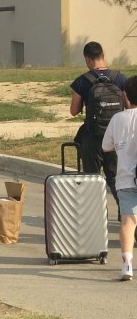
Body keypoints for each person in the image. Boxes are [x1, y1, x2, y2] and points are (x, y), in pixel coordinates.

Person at [70, 41, 128, 209]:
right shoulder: (120, 78)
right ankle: (126, 215)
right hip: (117, 136)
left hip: (93, 137)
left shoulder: (81, 81)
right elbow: (129, 105)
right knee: (115, 177)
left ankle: (94, 215)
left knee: (92, 178)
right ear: (103, 56)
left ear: (87, 59)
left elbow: (74, 110)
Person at [100, 75, 137, 281]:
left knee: (128, 222)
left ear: (126, 97)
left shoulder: (118, 119)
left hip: (125, 179)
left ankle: (127, 264)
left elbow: (106, 146)